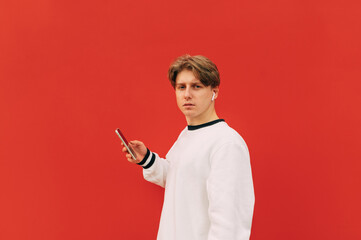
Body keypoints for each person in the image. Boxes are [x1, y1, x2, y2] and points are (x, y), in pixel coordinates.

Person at [121, 55, 255, 240]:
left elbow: (230, 221)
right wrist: (147, 159)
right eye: (181, 87)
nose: (187, 94)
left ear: (214, 91)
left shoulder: (227, 143)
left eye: (197, 86)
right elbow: (180, 179)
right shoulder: (187, 135)